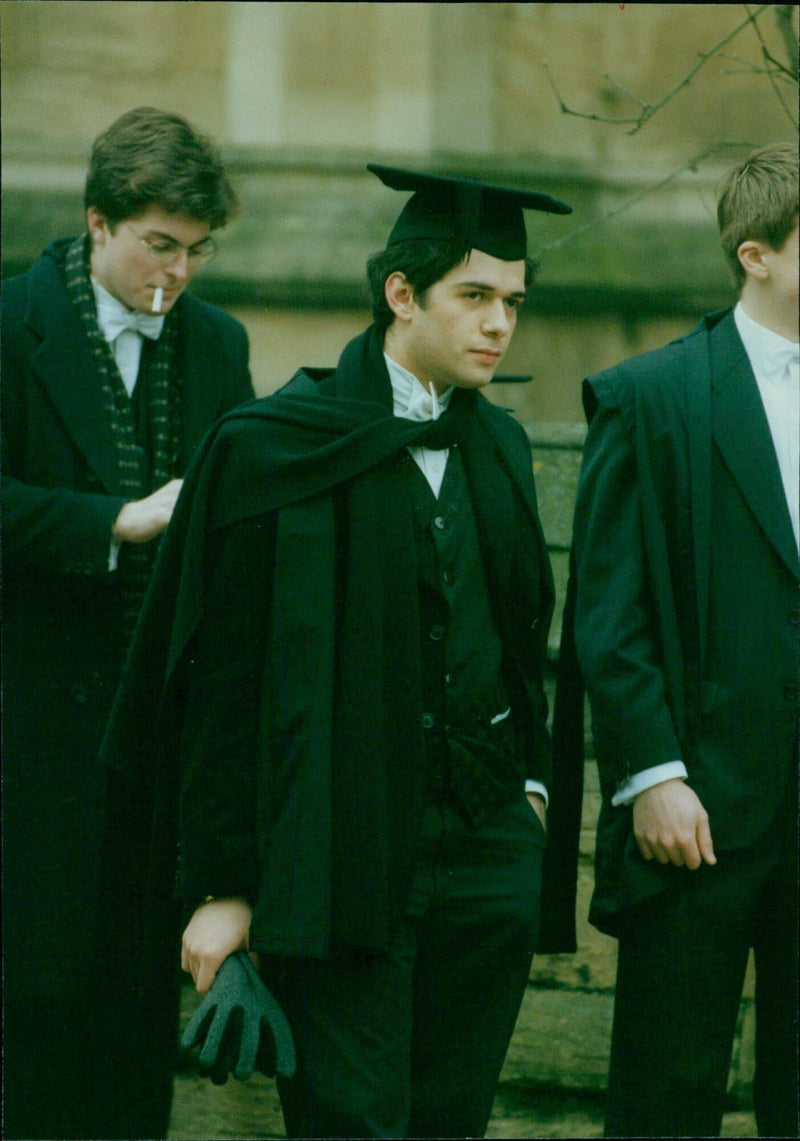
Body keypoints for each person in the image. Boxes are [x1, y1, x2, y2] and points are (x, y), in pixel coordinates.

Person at [100, 163, 572, 1138]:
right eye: (473, 297)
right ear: (401, 295)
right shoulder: (271, 448)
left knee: (452, 1121)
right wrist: (224, 888)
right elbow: (218, 686)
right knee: (352, 1124)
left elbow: (522, 637)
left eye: (513, 303)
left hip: (483, 861)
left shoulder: (496, 448)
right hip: (337, 860)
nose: (498, 326)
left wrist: (525, 788)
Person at [1, 106, 254, 1140]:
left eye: (196, 250)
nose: (178, 272)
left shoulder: (219, 343)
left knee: (129, 1063)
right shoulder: (11, 326)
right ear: (98, 223)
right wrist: (112, 521)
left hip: (155, 771)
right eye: (159, 244)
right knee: (30, 1053)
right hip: (27, 765)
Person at [570, 142, 798, 1137]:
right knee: (664, 1098)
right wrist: (649, 773)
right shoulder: (650, 396)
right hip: (695, 814)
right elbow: (606, 614)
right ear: (755, 254)